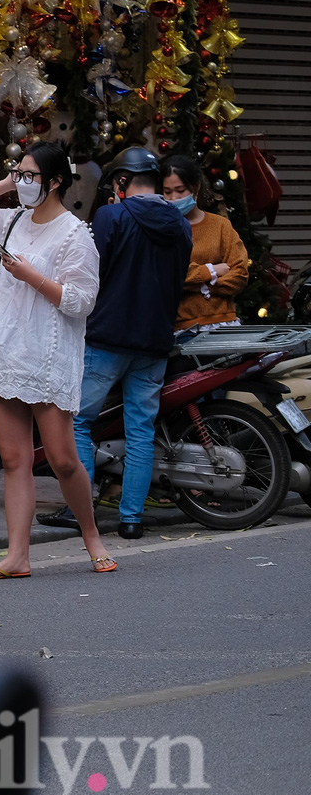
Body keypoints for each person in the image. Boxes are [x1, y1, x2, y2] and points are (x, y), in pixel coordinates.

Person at [0, 143, 115, 578]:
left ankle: (91, 534)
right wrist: (9, 182)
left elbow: (81, 301)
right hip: (1, 354)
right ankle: (17, 555)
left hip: (47, 356)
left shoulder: (75, 233)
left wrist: (32, 276)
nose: (21, 183)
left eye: (30, 176)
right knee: (15, 459)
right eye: (18, 174)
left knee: (62, 459)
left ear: (55, 181)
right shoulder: (9, 220)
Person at [66, 147, 192, 541]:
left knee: (79, 423)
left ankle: (81, 516)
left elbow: (91, 272)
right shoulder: (182, 224)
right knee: (141, 429)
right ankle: (131, 519)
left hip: (106, 337)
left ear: (121, 182)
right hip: (155, 341)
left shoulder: (110, 216)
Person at [164, 154, 248, 333]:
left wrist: (200, 284)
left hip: (224, 325)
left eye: (180, 190)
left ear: (196, 187)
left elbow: (239, 274)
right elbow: (168, 276)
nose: (173, 198)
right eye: (167, 191)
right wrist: (212, 270)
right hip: (181, 330)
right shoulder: (162, 230)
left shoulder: (220, 226)